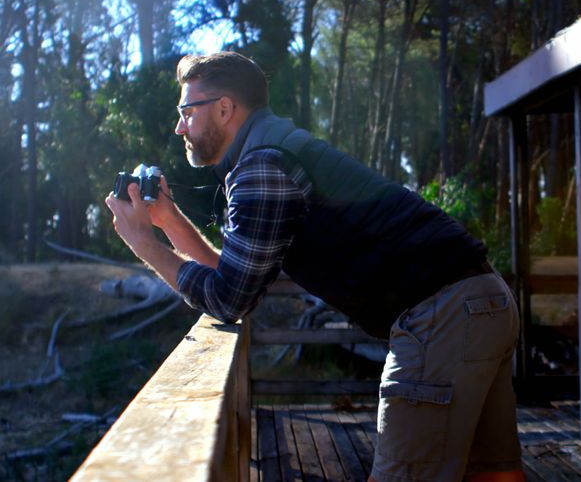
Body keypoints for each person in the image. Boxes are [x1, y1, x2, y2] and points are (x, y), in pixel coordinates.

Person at [104, 51, 524, 482]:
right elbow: (233, 271)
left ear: (225, 108)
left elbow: (229, 300)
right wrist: (169, 222)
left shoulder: (262, 167)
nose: (179, 127)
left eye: (186, 111)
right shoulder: (275, 148)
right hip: (483, 299)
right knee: (493, 475)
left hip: (441, 315)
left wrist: (143, 244)